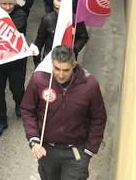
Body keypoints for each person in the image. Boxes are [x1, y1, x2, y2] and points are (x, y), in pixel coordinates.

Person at [21, 46, 107, 180]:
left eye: (66, 70)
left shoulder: (90, 85)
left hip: (76, 152)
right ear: (52, 64)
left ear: (74, 65)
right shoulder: (39, 80)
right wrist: (34, 140)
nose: (61, 75)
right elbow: (27, 110)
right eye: (57, 69)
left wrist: (89, 150)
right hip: (47, 151)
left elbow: (99, 118)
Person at [0, 0, 29, 138]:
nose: (7, 7)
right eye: (4, 4)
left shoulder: (20, 15)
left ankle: (21, 104)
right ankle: (0, 120)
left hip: (16, 58)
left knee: (17, 87)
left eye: (10, 4)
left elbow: (11, 29)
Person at [34, 0, 89, 66]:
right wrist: (37, 62)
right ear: (53, 7)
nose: (59, 11)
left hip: (68, 59)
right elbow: (39, 41)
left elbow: (83, 37)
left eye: (62, 8)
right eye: (57, 8)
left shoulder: (76, 20)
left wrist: (74, 49)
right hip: (49, 59)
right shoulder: (47, 20)